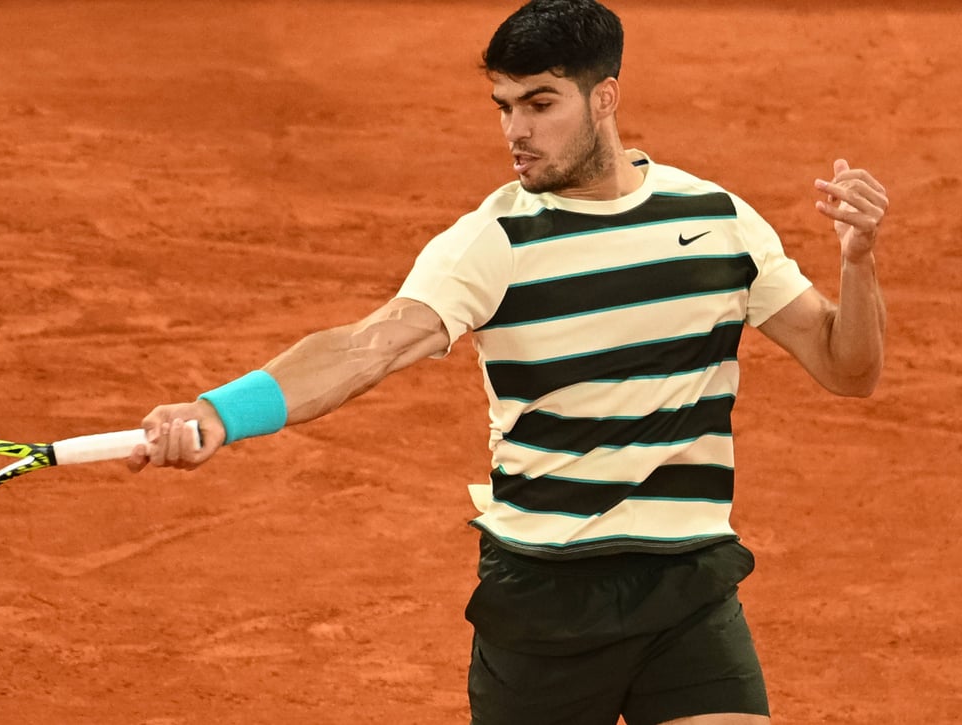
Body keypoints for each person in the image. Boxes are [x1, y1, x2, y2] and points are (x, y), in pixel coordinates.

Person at [126, 0, 888, 722]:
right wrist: (221, 411)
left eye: (540, 103)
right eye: (504, 106)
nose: (516, 130)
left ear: (604, 99)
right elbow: (368, 346)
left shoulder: (717, 222)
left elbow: (845, 366)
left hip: (687, 584)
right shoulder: (492, 242)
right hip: (543, 602)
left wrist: (859, 264)